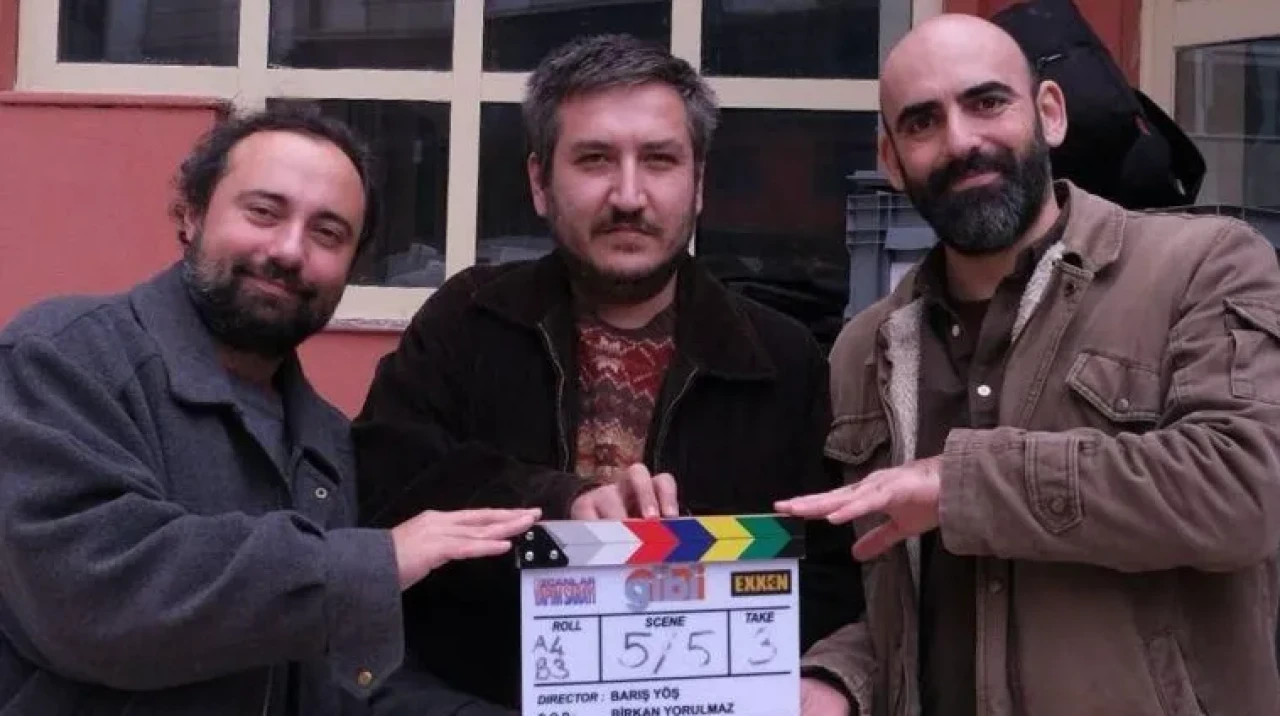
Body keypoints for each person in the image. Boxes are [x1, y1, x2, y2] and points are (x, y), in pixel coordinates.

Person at [778, 13, 1280, 716]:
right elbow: (901, 605)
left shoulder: (1203, 267)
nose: (961, 141)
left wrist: (961, 485)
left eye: (987, 102)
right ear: (891, 159)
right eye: (922, 122)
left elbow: (1243, 493)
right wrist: (838, 679)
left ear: (1049, 113)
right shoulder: (866, 348)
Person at [353, 34, 863, 712]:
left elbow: (828, 574)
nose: (628, 195)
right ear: (540, 182)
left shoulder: (781, 357)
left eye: (659, 160)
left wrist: (814, 678)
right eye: (594, 159)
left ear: (699, 184)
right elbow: (387, 482)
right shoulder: (466, 321)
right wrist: (560, 503)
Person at [0, 107, 540, 716]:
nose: (288, 250)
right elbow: (94, 598)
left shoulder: (327, 441)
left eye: (328, 233)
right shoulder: (65, 357)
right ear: (191, 213)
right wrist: (375, 563)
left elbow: (344, 677)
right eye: (263, 212)